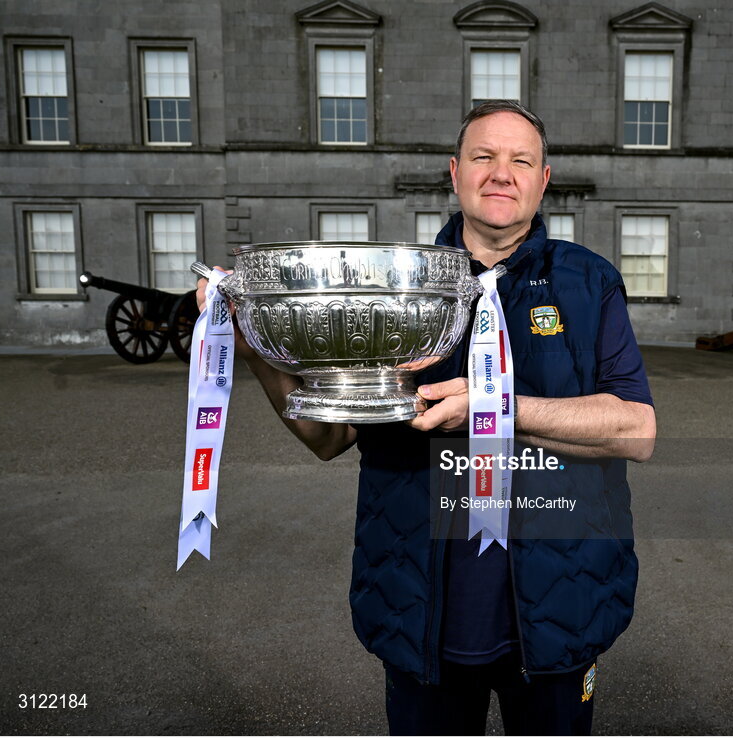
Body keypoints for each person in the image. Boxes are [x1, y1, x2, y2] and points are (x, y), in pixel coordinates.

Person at [198, 100, 656, 735]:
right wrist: (252, 346)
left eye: (520, 160)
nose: (502, 173)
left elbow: (636, 429)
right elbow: (328, 435)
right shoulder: (397, 284)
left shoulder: (591, 282)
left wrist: (497, 408)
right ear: (455, 172)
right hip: (421, 610)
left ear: (543, 179)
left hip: (561, 603)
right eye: (483, 157)